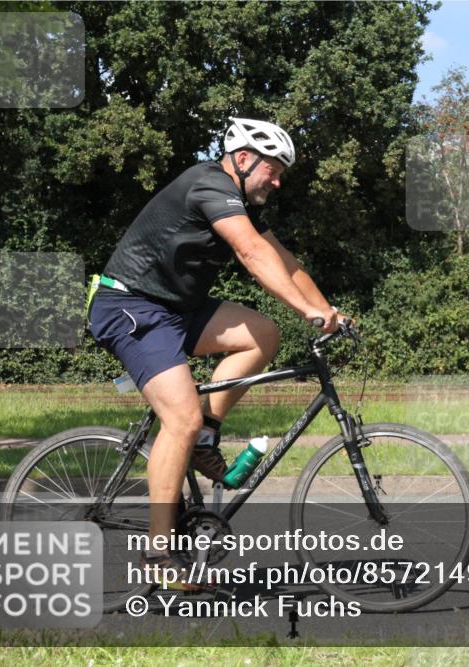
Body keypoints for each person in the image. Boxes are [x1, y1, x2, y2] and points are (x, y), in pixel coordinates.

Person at [88, 117, 346, 589]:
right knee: (178, 420)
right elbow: (250, 253)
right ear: (243, 159)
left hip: (175, 310)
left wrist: (327, 309)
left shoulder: (240, 203)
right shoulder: (207, 184)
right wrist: (307, 312)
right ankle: (159, 554)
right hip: (131, 306)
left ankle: (205, 435)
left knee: (263, 335)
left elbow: (286, 263)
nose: (278, 179)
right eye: (274, 167)